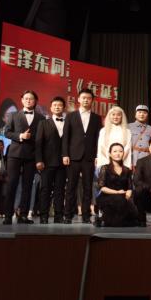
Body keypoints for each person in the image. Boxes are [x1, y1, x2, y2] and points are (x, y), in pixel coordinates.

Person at [3, 90, 45, 225]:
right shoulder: (14, 115)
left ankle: (23, 215)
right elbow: (7, 132)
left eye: (31, 98)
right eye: (26, 98)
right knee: (12, 184)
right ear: (22, 100)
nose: (28, 100)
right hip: (15, 154)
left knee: (28, 187)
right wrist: (20, 136)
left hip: (31, 155)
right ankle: (7, 215)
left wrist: (39, 158)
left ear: (35, 101)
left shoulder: (41, 118)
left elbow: (41, 139)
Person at [62, 88, 102, 224]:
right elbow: (66, 137)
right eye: (83, 98)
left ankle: (86, 215)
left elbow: (98, 138)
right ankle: (67, 215)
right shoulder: (70, 116)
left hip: (89, 157)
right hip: (73, 156)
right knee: (71, 187)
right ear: (78, 99)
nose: (86, 100)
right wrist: (65, 154)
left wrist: (97, 155)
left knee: (88, 187)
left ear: (92, 100)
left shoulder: (96, 118)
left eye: (89, 98)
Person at [35, 96, 67, 224]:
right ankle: (44, 215)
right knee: (45, 189)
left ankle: (59, 215)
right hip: (47, 162)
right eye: (55, 105)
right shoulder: (43, 123)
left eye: (60, 105)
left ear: (63, 108)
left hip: (63, 163)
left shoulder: (68, 123)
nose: (57, 107)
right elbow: (38, 143)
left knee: (60, 190)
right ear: (51, 107)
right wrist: (39, 160)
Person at [96, 143, 138, 227]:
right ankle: (103, 218)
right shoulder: (105, 168)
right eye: (115, 151)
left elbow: (129, 187)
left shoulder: (127, 170)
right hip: (107, 196)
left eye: (120, 151)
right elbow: (102, 187)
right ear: (110, 154)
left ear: (123, 153)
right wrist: (117, 192)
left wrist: (128, 194)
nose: (118, 153)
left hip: (123, 196)